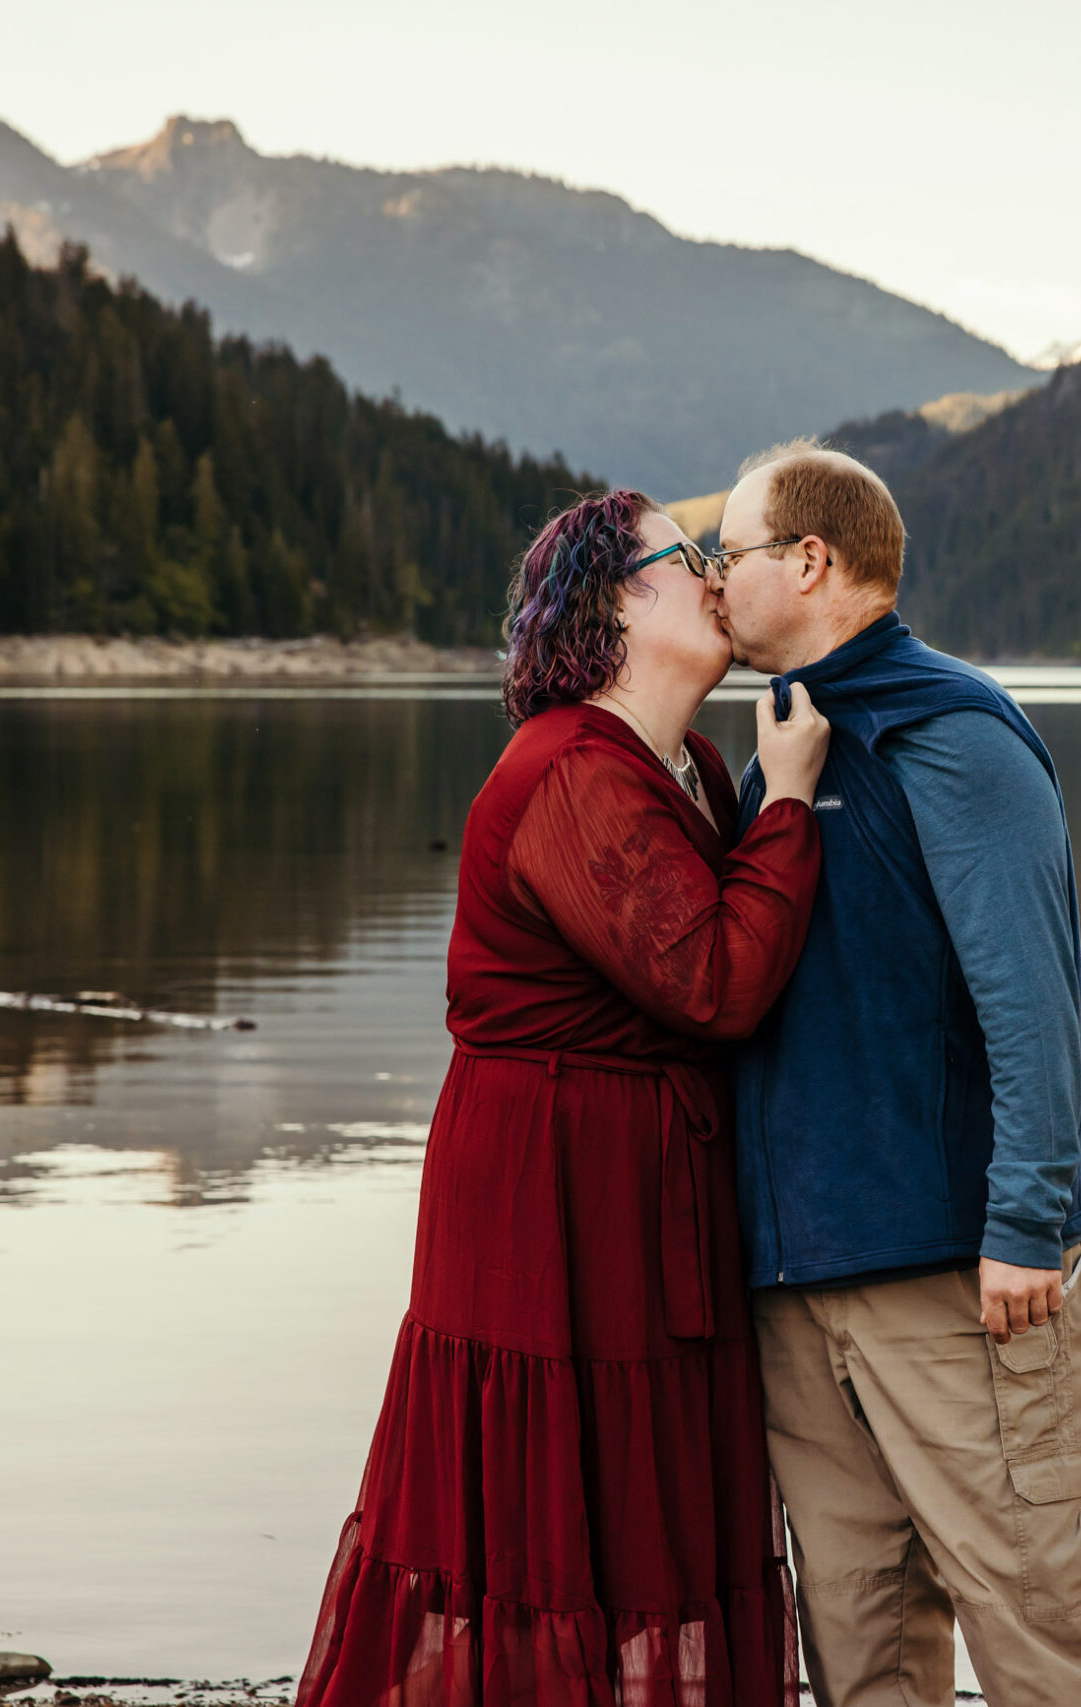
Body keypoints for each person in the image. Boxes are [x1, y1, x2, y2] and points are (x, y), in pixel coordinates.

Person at [295, 489, 832, 1707]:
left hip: (640, 1181)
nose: (711, 573)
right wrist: (790, 797)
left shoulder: (685, 761)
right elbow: (716, 981)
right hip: (549, 1188)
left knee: (639, 1502)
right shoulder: (570, 771)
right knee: (543, 1512)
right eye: (683, 557)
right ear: (611, 600)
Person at [709, 443, 1081, 1707]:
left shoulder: (951, 735)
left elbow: (1033, 1003)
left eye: (726, 555)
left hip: (964, 1286)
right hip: (802, 1293)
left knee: (1043, 1620)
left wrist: (1025, 1223)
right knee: (863, 1648)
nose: (710, 582)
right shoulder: (780, 752)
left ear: (809, 560)